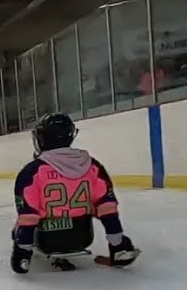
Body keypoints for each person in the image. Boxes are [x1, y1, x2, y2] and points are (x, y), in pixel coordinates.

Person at [11, 113, 138, 273]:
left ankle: (24, 255)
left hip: (47, 240)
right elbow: (107, 208)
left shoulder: (31, 172)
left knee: (19, 226)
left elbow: (28, 216)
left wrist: (22, 252)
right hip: (82, 238)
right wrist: (117, 244)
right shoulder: (93, 166)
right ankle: (120, 249)